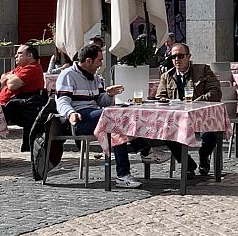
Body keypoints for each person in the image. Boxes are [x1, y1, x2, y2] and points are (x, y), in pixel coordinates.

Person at [56, 44, 165, 188]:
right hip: (79, 119)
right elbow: (62, 100)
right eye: (99, 60)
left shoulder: (95, 77)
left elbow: (101, 101)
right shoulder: (68, 75)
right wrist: (70, 113)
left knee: (119, 117)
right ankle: (143, 153)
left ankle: (127, 170)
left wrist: (109, 94)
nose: (101, 64)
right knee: (113, 119)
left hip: (97, 115)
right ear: (88, 61)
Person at [156, 43, 222, 175]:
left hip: (202, 117)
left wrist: (193, 103)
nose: (176, 60)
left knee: (212, 133)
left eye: (180, 56)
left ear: (188, 57)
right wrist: (163, 101)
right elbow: (159, 97)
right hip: (177, 120)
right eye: (173, 56)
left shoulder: (203, 70)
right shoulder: (167, 76)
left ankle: (204, 156)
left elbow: (216, 93)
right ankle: (188, 164)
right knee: (166, 134)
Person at [0, 44, 47, 152]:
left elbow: (11, 85)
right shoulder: (20, 68)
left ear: (30, 55)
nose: (16, 56)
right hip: (7, 105)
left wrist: (9, 78)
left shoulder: (32, 68)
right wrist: (9, 77)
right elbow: (2, 78)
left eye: (19, 53)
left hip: (22, 106)